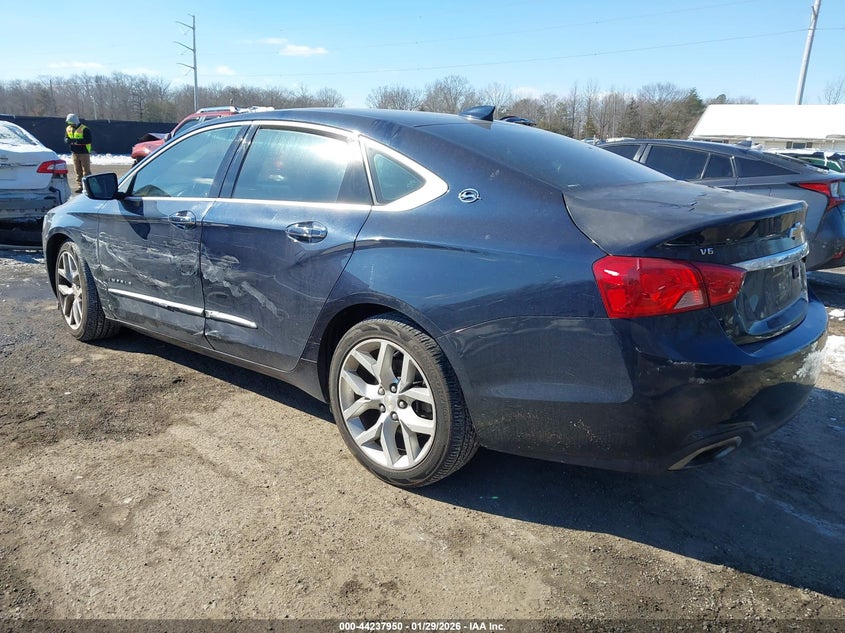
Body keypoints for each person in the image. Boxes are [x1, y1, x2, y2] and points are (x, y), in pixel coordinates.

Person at [64, 113, 92, 193]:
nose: (70, 124)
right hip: (74, 152)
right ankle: (80, 186)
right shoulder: (68, 128)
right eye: (69, 123)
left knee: (86, 171)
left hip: (84, 152)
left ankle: (88, 186)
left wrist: (75, 141)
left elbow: (88, 140)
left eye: (71, 122)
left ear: (75, 121)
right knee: (77, 170)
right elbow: (66, 137)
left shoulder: (84, 129)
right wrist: (67, 140)